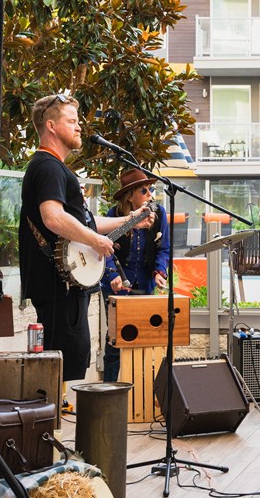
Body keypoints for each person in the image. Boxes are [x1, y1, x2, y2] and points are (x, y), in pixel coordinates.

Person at [19, 93, 153, 385]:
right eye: (72, 121)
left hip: (65, 284)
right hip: (57, 285)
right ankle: (52, 416)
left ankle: (55, 414)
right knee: (60, 365)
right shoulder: (48, 166)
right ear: (51, 126)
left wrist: (131, 220)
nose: (79, 127)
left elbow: (85, 223)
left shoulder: (53, 167)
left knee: (70, 361)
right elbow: (53, 217)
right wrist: (95, 241)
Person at [98, 169, 170, 382]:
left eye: (151, 189)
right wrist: (112, 274)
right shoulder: (114, 216)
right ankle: (110, 389)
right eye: (144, 190)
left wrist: (159, 271)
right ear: (130, 196)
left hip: (144, 282)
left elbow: (163, 248)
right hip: (116, 284)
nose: (150, 194)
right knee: (115, 339)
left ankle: (142, 389)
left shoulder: (159, 213)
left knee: (144, 337)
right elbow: (103, 248)